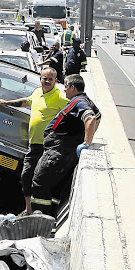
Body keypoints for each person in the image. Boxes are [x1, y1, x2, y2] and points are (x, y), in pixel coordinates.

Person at [0, 68, 69, 215]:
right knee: (26, 175)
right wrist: (7, 103)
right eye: (44, 78)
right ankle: (28, 209)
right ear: (40, 79)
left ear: (56, 80)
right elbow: (26, 102)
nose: (47, 81)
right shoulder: (37, 92)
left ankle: (43, 212)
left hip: (49, 147)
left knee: (42, 178)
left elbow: (73, 111)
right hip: (34, 144)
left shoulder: (60, 97)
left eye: (50, 79)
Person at [30, 74, 101, 215]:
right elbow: (98, 117)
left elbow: (91, 118)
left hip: (58, 151)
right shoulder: (86, 100)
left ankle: (38, 219)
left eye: (66, 87)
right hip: (64, 151)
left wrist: (87, 141)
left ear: (73, 87)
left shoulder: (79, 102)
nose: (65, 90)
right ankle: (50, 217)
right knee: (55, 187)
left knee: (40, 182)